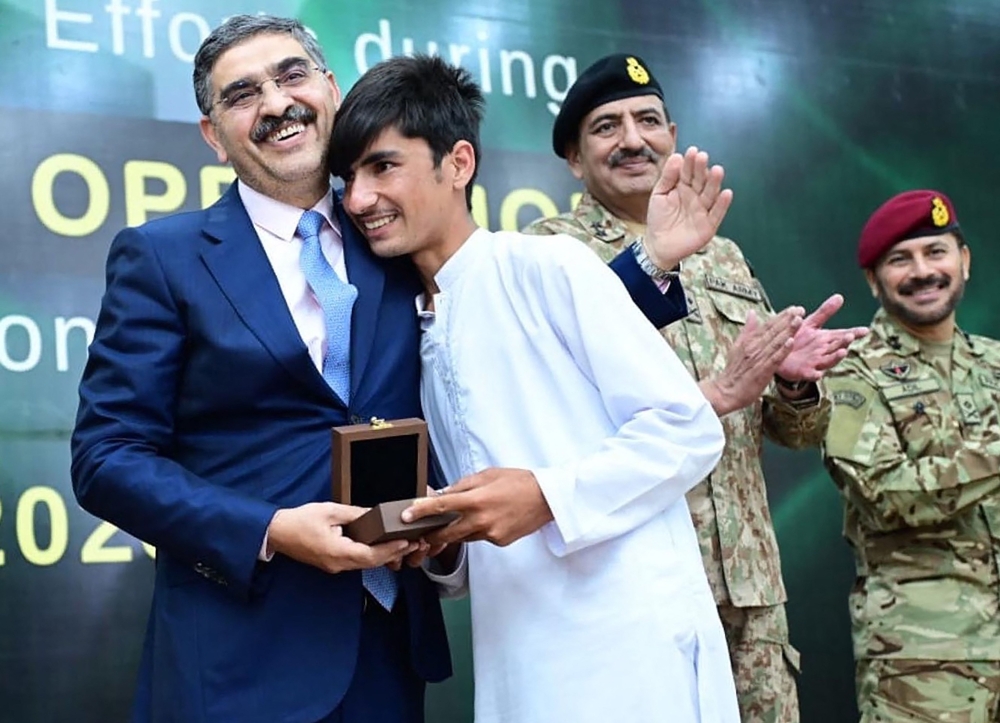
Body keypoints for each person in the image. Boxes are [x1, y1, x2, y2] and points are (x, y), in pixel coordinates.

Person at [69, 16, 700, 723]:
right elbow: (106, 456)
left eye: (291, 75)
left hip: (388, 655)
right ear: (214, 135)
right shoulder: (164, 256)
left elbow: (508, 317)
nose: (276, 103)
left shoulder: (394, 235)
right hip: (237, 662)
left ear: (330, 90)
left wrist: (651, 264)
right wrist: (269, 528)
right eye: (243, 93)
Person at [329, 53, 742, 723]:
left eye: (383, 167)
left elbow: (688, 427)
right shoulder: (416, 329)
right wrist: (444, 536)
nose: (358, 200)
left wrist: (546, 495)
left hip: (630, 651)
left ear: (457, 163)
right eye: (347, 178)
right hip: (518, 657)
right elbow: (472, 553)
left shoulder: (547, 266)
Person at [517, 53, 868, 723]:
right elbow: (551, 393)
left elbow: (792, 431)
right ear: (573, 159)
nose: (632, 139)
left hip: (751, 589)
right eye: (606, 126)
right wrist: (657, 263)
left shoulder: (723, 255)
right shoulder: (548, 252)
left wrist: (792, 387)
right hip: (635, 584)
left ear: (672, 137)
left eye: (648, 121)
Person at [821, 190, 1000, 721]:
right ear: (874, 281)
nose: (923, 271)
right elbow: (886, 497)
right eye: (901, 259)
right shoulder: (850, 372)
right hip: (925, 659)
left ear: (964, 261)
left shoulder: (995, 363)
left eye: (936, 252)